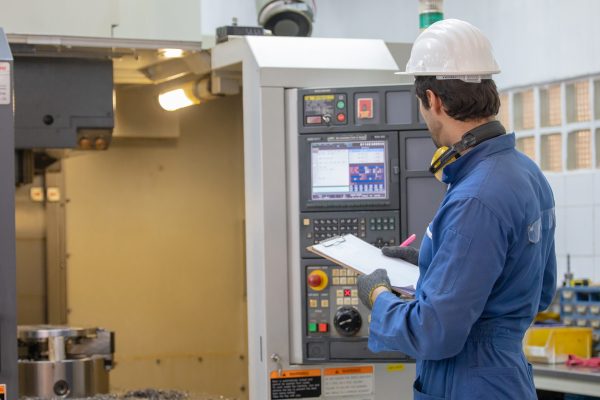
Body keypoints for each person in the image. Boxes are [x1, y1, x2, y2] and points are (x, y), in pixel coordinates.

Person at [357, 19, 556, 400]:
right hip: (505, 378)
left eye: (422, 104)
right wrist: (432, 263)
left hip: (468, 384)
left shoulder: (474, 197)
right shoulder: (526, 173)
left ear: (433, 99)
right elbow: (539, 288)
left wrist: (379, 295)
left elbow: (434, 332)